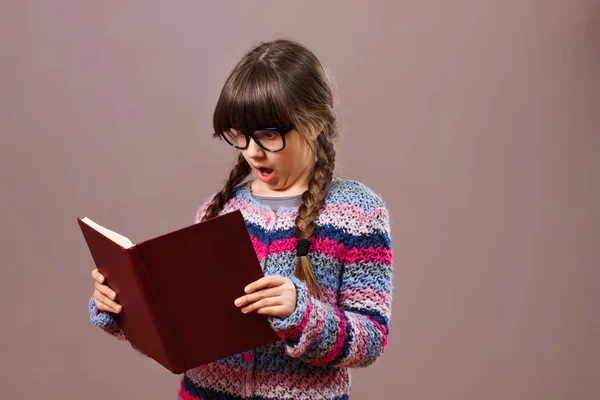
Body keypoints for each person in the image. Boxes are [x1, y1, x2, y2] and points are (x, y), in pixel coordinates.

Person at [89, 38, 393, 400]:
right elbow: (182, 333)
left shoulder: (358, 213)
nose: (252, 151)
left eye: (268, 134)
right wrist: (125, 306)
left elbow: (371, 339)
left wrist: (303, 313)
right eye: (240, 135)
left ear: (313, 124)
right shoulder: (217, 211)